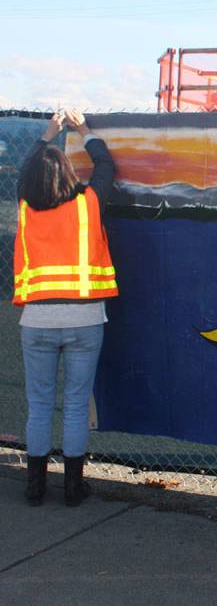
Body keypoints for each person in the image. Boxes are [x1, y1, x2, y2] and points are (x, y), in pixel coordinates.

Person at [14, 109, 118, 507]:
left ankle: (34, 486)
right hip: (85, 319)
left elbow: (27, 172)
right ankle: (74, 488)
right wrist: (84, 132)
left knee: (39, 404)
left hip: (37, 321)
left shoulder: (25, 207)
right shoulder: (89, 204)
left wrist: (48, 134)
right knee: (76, 404)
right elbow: (106, 165)